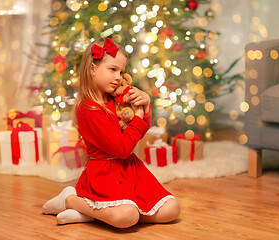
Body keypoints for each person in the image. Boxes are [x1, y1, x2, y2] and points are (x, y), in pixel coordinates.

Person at [42, 38, 180, 228]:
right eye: (113, 69)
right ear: (92, 68)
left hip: (130, 170)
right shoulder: (87, 109)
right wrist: (138, 117)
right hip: (104, 175)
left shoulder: (116, 99)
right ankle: (69, 200)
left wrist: (145, 104)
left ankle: (97, 213)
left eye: (121, 71)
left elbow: (137, 134)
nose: (118, 77)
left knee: (172, 209)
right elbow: (122, 149)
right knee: (127, 217)